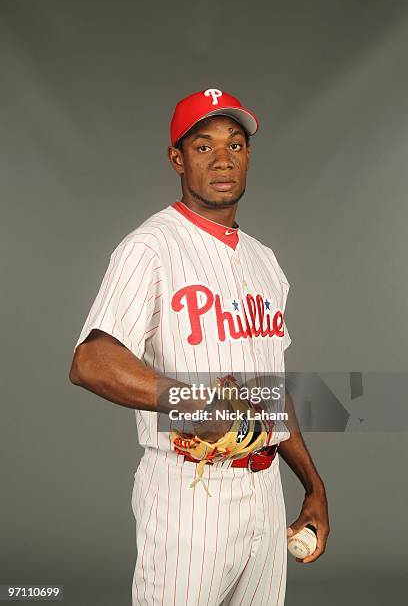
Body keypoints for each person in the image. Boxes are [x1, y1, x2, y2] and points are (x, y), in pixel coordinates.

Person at [69, 88, 330, 605]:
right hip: (190, 493)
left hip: (263, 493)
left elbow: (269, 391)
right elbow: (91, 361)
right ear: (177, 159)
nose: (222, 159)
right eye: (203, 146)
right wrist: (193, 401)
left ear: (249, 156)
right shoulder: (151, 245)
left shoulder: (265, 261)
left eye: (235, 144)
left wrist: (312, 484)